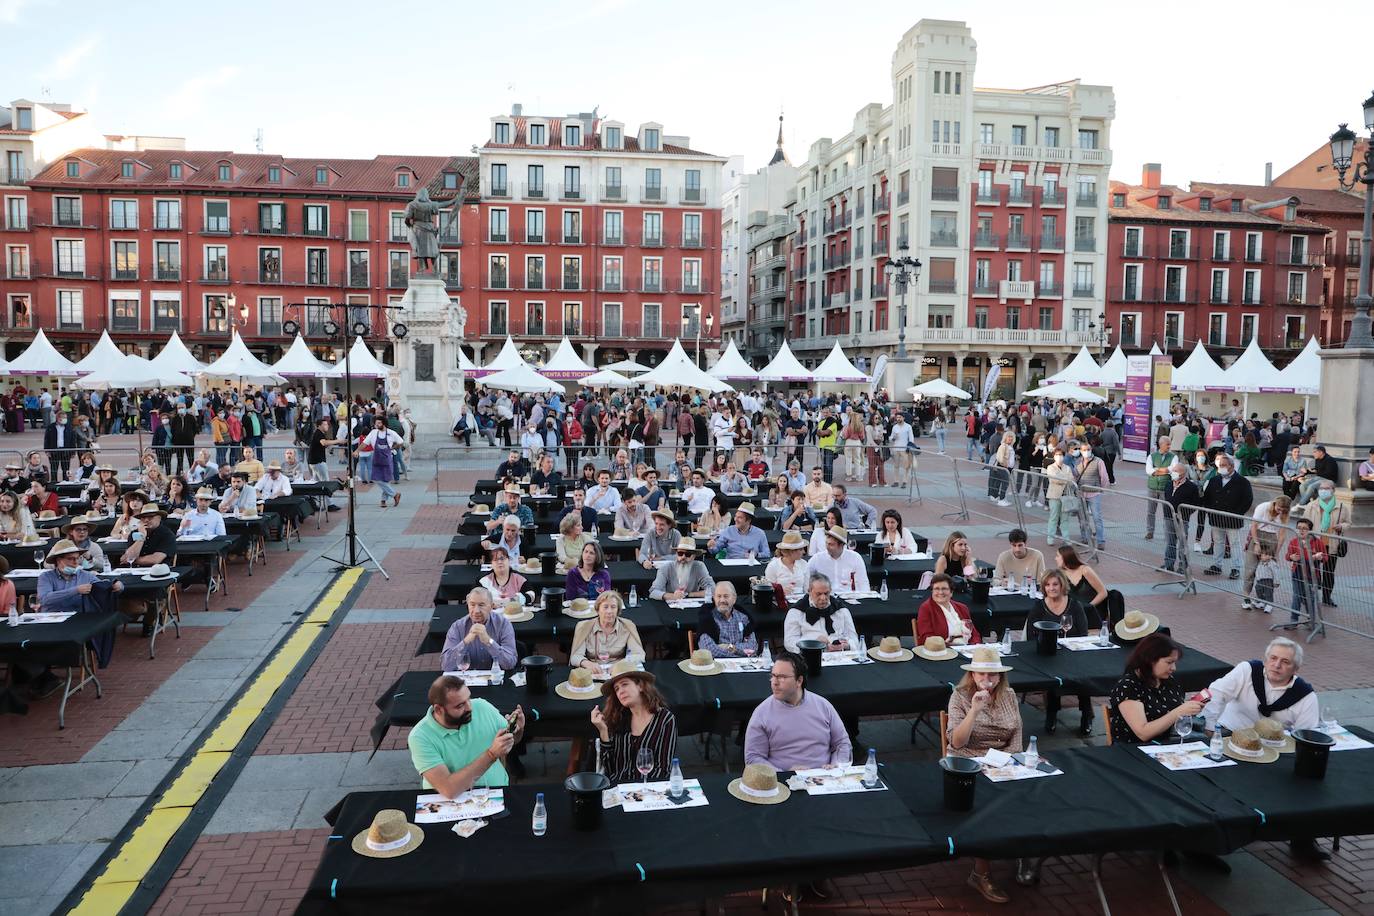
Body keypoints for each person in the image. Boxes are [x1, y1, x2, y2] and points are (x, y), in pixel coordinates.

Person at [945, 645, 1018, 904]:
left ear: (1000, 676)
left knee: (1031, 791)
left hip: (1001, 761)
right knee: (986, 805)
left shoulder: (1009, 695)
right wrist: (975, 711)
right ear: (972, 675)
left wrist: (1011, 761)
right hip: (968, 762)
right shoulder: (960, 696)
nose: (987, 680)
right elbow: (957, 742)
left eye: (992, 675)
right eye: (981, 675)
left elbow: (1016, 735)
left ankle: (1025, 854)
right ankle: (980, 873)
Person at [408, 674, 525, 796]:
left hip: (495, 794)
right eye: (460, 705)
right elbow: (449, 790)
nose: (469, 708)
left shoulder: (482, 707)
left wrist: (517, 730)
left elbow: (512, 741)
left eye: (468, 699)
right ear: (439, 710)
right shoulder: (420, 737)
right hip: (450, 807)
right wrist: (491, 754)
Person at [744, 650, 851, 770]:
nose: (774, 682)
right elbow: (753, 758)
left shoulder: (823, 706)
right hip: (782, 783)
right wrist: (784, 774)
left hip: (825, 780)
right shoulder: (762, 713)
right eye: (773, 676)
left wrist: (836, 765)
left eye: (782, 677)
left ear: (799, 681)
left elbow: (842, 744)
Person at [1026, 569, 1094, 735]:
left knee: (1082, 677)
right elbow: (1030, 635)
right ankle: (1052, 713)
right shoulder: (1038, 606)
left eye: (1055, 584)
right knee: (1052, 677)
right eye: (1047, 585)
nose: (1051, 588)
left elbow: (1083, 634)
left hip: (1072, 653)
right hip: (1048, 654)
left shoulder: (1075, 605)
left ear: (1062, 585)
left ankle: (1086, 714)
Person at [591, 662, 678, 784]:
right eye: (617, 689)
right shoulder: (617, 719)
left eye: (625, 684)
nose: (620, 691)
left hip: (650, 791)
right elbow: (610, 770)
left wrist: (641, 792)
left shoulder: (665, 719)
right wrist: (603, 731)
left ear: (641, 686)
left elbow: (664, 769)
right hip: (618, 790)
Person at [1108, 633, 1203, 745]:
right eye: (1169, 662)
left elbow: (1175, 715)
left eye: (1174, 662)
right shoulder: (1128, 686)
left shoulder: (1170, 681)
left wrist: (1190, 708)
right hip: (1134, 749)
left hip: (1168, 744)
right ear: (1150, 660)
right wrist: (1179, 712)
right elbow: (1143, 733)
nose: (1173, 668)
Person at [441, 586, 519, 671]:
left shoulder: (503, 625)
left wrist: (489, 642)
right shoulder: (457, 627)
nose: (476, 610)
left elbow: (510, 664)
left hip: (496, 679)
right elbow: (446, 666)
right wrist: (465, 642)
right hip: (467, 681)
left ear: (491, 606)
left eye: (481, 605)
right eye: (472, 605)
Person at [1202, 453, 1253, 580]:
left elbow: (1248, 500)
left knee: (1234, 543)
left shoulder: (1242, 482)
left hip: (1232, 518)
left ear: (1231, 466)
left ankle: (1236, 568)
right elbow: (1207, 496)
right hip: (1216, 517)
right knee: (1218, 542)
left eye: (1224, 465)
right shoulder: (1215, 480)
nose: (1221, 468)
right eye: (1220, 465)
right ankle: (1217, 565)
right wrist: (1210, 510)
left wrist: (1237, 513)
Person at [1301, 480, 1349, 607]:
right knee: (1312, 570)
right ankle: (1308, 595)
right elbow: (1304, 523)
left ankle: (1327, 597)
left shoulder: (1342, 506)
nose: (1323, 490)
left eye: (1326, 488)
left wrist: (1342, 526)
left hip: (1331, 544)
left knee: (1329, 573)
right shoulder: (1312, 505)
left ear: (1333, 490)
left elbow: (1348, 523)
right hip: (1315, 544)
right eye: (1321, 488)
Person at [783, 571, 858, 652]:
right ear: (809, 591)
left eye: (826, 593)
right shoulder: (796, 611)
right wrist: (812, 645)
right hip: (809, 655)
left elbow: (854, 639)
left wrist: (845, 646)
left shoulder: (840, 609)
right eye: (818, 594)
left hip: (840, 655)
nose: (823, 598)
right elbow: (789, 642)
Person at [570, 591, 644, 671]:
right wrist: (587, 663)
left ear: (618, 610)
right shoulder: (584, 627)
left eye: (613, 607)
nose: (609, 611)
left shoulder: (627, 626)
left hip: (618, 671)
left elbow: (639, 654)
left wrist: (622, 664)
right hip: (593, 672)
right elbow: (575, 657)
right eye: (605, 607)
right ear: (598, 610)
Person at [1241, 496, 1291, 610]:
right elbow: (1254, 525)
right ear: (1275, 504)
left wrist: (1277, 552)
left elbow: (1282, 534)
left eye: (1283, 510)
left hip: (1272, 537)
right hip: (1258, 534)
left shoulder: (1285, 513)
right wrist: (1256, 543)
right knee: (1250, 569)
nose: (1280, 512)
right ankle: (1246, 597)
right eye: (1279, 509)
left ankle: (1264, 600)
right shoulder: (1263, 507)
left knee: (1267, 572)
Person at [695, 581, 759, 657]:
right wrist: (740, 653)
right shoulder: (707, 619)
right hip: (717, 666)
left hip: (742, 666)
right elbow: (708, 650)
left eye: (726, 596)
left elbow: (753, 647)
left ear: (734, 598)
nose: (722, 600)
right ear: (714, 598)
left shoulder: (743, 617)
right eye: (719, 596)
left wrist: (732, 648)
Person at [916, 573, 982, 645]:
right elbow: (926, 637)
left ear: (951, 592)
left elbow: (975, 634)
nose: (940, 592)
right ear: (932, 591)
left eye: (944, 589)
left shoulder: (962, 608)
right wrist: (945, 644)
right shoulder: (926, 608)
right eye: (936, 589)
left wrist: (974, 647)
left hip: (967, 650)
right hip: (942, 652)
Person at [1284, 517, 1326, 628]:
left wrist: (1318, 557)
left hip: (1312, 573)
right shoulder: (1293, 541)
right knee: (1297, 596)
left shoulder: (1318, 542)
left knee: (1310, 597)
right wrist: (1291, 557)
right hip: (1297, 572)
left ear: (1310, 530)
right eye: (1298, 528)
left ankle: (1310, 620)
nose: (1301, 531)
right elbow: (1287, 556)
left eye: (1304, 528)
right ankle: (1294, 620)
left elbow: (1325, 558)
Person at [1162, 460, 1202, 574]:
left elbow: (1195, 504)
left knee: (1182, 543)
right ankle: (1168, 564)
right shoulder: (1169, 483)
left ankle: (1182, 566)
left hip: (1182, 519)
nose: (1173, 473)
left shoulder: (1191, 487)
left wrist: (1184, 513)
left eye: (1175, 471)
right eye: (1173, 471)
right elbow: (1166, 496)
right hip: (1169, 517)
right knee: (1170, 541)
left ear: (1183, 473)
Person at [805, 525, 869, 594]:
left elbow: (863, 583)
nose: (827, 547)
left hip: (848, 597)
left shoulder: (855, 558)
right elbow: (806, 578)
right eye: (826, 544)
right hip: (825, 599)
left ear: (841, 545)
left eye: (831, 545)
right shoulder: (817, 558)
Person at [358, 417, 404, 507]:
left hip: (387, 459)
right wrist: (357, 451)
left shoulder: (391, 433)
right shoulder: (373, 433)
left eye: (379, 423)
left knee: (385, 480)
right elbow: (364, 443)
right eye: (376, 423)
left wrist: (393, 447)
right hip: (377, 459)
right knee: (376, 479)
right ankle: (394, 494)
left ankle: (383, 501)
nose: (377, 425)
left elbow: (401, 442)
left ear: (384, 423)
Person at [1072, 440, 1109, 549]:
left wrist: (1100, 489)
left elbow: (1104, 477)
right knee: (1082, 517)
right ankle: (1085, 537)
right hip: (1081, 493)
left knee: (1097, 517)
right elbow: (1074, 476)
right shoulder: (1077, 461)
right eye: (1084, 450)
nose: (1086, 452)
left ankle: (1101, 540)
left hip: (1094, 494)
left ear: (1091, 450)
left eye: (1088, 450)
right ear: (1080, 451)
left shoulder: (1098, 461)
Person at [1144, 435, 1176, 540]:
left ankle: (1167, 533)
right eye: (1167, 444)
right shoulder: (1152, 456)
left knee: (1167, 512)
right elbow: (1149, 471)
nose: (1169, 446)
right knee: (1150, 511)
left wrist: (1157, 470)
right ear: (1161, 445)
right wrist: (1165, 470)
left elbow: (1173, 469)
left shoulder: (1173, 457)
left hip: (1165, 488)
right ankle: (1150, 531)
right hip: (1152, 487)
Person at [765, 530, 810, 596]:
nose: (803, 552)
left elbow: (807, 588)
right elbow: (768, 589)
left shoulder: (804, 564)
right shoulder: (773, 566)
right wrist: (780, 592)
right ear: (790, 552)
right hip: (780, 602)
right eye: (800, 549)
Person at [44, 409, 73, 480]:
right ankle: (54, 483)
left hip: (66, 450)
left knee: (66, 469)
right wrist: (47, 451)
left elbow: (72, 439)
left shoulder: (69, 427)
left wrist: (73, 451)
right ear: (58, 418)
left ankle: (66, 483)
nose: (65, 419)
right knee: (54, 469)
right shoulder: (51, 427)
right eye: (63, 418)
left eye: (66, 418)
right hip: (54, 450)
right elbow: (46, 439)